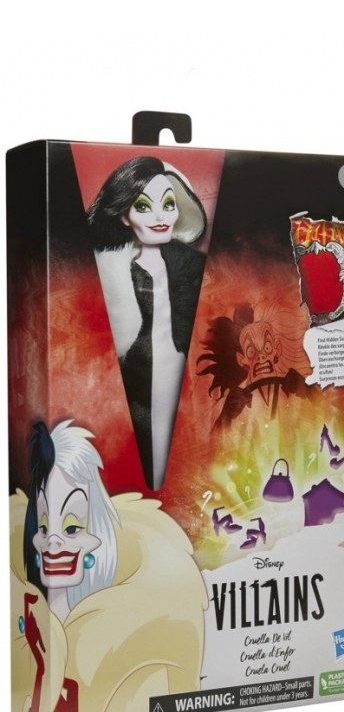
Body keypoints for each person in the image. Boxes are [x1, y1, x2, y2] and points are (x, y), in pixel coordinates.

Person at [12, 420, 207, 712]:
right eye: (44, 527)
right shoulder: (28, 610)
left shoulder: (119, 632)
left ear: (99, 533)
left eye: (72, 527)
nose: (53, 541)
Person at [88, 156, 207, 489]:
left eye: (168, 204)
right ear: (123, 214)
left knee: (183, 452)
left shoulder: (191, 265)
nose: (160, 217)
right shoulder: (112, 270)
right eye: (143, 207)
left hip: (181, 371)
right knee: (139, 452)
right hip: (137, 378)